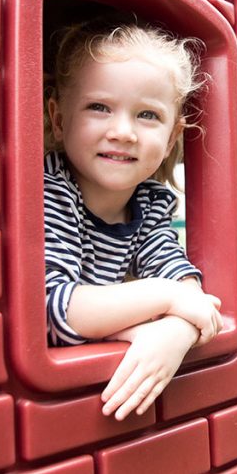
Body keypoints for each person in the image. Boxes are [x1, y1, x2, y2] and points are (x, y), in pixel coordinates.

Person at [43, 21, 223, 421]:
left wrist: (176, 331)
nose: (122, 132)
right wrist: (165, 302)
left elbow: (182, 281)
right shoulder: (51, 189)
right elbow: (55, 311)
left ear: (173, 136)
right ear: (58, 119)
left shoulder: (152, 203)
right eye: (99, 107)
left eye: (147, 115)